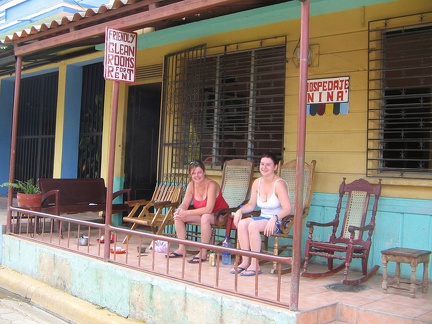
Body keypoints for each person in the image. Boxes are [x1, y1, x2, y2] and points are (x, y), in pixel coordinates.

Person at [232, 152, 291, 276]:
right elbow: (251, 205)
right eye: (262, 164)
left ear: (275, 167)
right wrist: (240, 211)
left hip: (278, 220)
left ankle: (255, 264)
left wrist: (274, 219)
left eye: (268, 165)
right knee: (242, 223)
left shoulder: (279, 184)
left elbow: (287, 209)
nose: (264, 167)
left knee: (252, 225)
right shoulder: (257, 182)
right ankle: (245, 261)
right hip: (262, 217)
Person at [167, 160, 229, 263]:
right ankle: (182, 248)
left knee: (205, 217)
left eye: (199, 172)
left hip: (221, 215)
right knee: (178, 216)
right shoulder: (191, 185)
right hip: (204, 215)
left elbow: (209, 209)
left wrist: (186, 213)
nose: (197, 175)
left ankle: (203, 252)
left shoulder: (211, 185)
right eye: (193, 173)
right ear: (190, 175)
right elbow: (185, 204)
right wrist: (180, 209)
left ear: (204, 172)